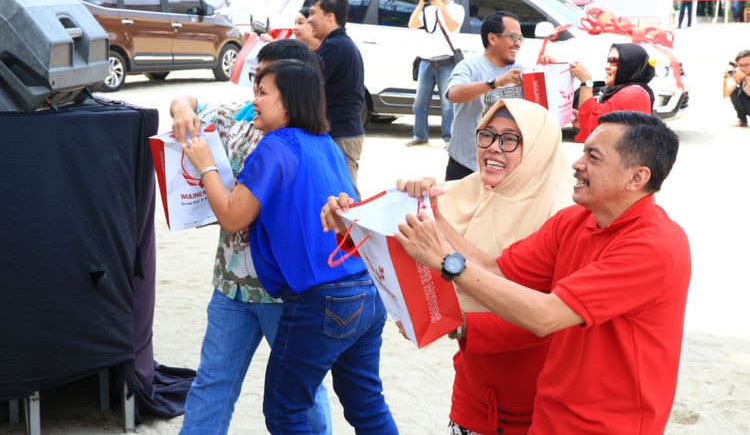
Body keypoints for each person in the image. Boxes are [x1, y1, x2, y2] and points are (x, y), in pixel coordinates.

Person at [395, 111, 690, 434]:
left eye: (593, 156)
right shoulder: (574, 221)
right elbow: (499, 272)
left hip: (611, 424)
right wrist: (434, 218)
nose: (577, 164)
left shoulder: (654, 246)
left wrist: (447, 261)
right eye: (582, 151)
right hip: (550, 414)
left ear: (637, 178)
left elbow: (545, 316)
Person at [321, 99, 573, 434]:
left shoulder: (563, 218)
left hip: (535, 402)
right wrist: (352, 224)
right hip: (472, 393)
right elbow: (407, 252)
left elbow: (544, 315)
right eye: (487, 135)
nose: (494, 148)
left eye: (511, 139)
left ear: (540, 150)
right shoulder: (463, 192)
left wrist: (460, 326)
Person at [182, 59, 398, 434]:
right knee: (366, 403)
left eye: (263, 93)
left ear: (290, 102)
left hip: (323, 298)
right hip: (365, 290)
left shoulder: (275, 146)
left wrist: (205, 166)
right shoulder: (325, 143)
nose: (256, 102)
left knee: (285, 410)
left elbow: (234, 217)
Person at [170, 40, 332, 435]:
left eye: (265, 85)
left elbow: (234, 217)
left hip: (285, 293)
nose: (255, 93)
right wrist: (181, 110)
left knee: (302, 395)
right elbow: (187, 99)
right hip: (231, 286)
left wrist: (207, 167)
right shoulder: (243, 115)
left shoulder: (301, 142)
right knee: (212, 383)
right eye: (256, 80)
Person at [444, 11, 524, 180]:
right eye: (512, 37)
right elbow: (454, 94)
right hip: (466, 166)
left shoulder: (521, 70)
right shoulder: (469, 67)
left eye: (520, 38)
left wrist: (549, 64)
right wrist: (494, 83)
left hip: (504, 166)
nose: (517, 43)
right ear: (493, 38)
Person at [307, 0, 366, 192]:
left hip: (342, 136)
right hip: (342, 133)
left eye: (313, 13)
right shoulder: (340, 45)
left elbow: (304, 82)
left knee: (346, 197)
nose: (309, 20)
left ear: (330, 16)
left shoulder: (335, 47)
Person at [406, 0, 465, 147]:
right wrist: (420, 3)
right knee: (419, 103)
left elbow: (453, 26)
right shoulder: (429, 9)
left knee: (447, 104)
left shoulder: (457, 8)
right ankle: (420, 136)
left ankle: (449, 138)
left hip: (446, 62)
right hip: (426, 61)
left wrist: (440, 4)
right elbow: (412, 24)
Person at [566, 43, 655, 142]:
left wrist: (586, 82)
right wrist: (583, 120)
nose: (607, 66)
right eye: (608, 61)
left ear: (630, 65)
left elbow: (592, 121)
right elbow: (600, 125)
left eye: (614, 61)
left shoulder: (633, 93)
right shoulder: (631, 90)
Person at [723, 49, 750, 127]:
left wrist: (744, 79)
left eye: (746, 65)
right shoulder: (739, 73)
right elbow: (726, 94)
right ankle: (742, 120)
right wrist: (730, 78)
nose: (743, 68)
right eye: (740, 65)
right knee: (735, 91)